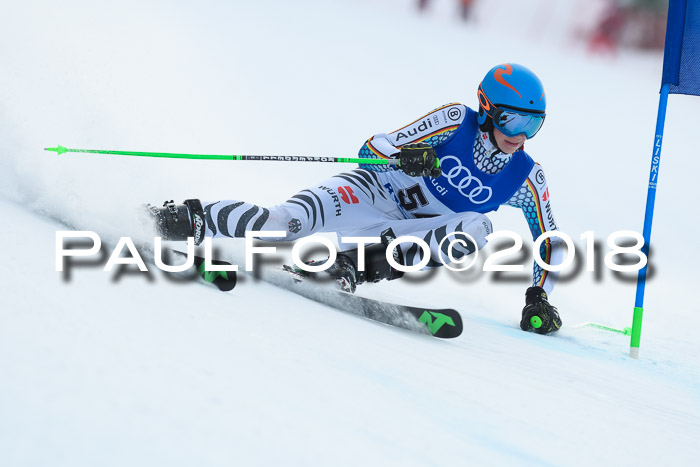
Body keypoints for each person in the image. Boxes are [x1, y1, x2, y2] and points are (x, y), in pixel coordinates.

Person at [148, 63, 564, 335]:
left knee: (477, 227)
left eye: (534, 124)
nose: (520, 133)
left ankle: (348, 267)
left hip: (402, 233)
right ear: (488, 109)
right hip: (370, 192)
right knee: (279, 225)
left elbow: (549, 240)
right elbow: (372, 148)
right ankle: (186, 219)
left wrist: (538, 296)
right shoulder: (456, 120)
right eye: (513, 118)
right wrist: (406, 157)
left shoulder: (527, 177)